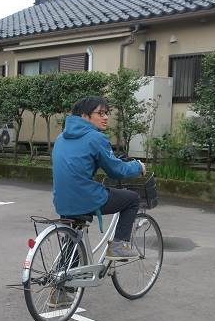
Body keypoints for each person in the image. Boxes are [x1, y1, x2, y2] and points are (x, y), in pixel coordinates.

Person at [53, 96, 146, 260]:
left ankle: (65, 280)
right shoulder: (95, 138)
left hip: (62, 200)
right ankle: (118, 246)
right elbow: (116, 170)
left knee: (74, 237)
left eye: (107, 113)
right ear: (84, 116)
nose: (106, 117)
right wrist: (137, 166)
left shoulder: (61, 138)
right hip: (85, 198)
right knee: (132, 199)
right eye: (100, 113)